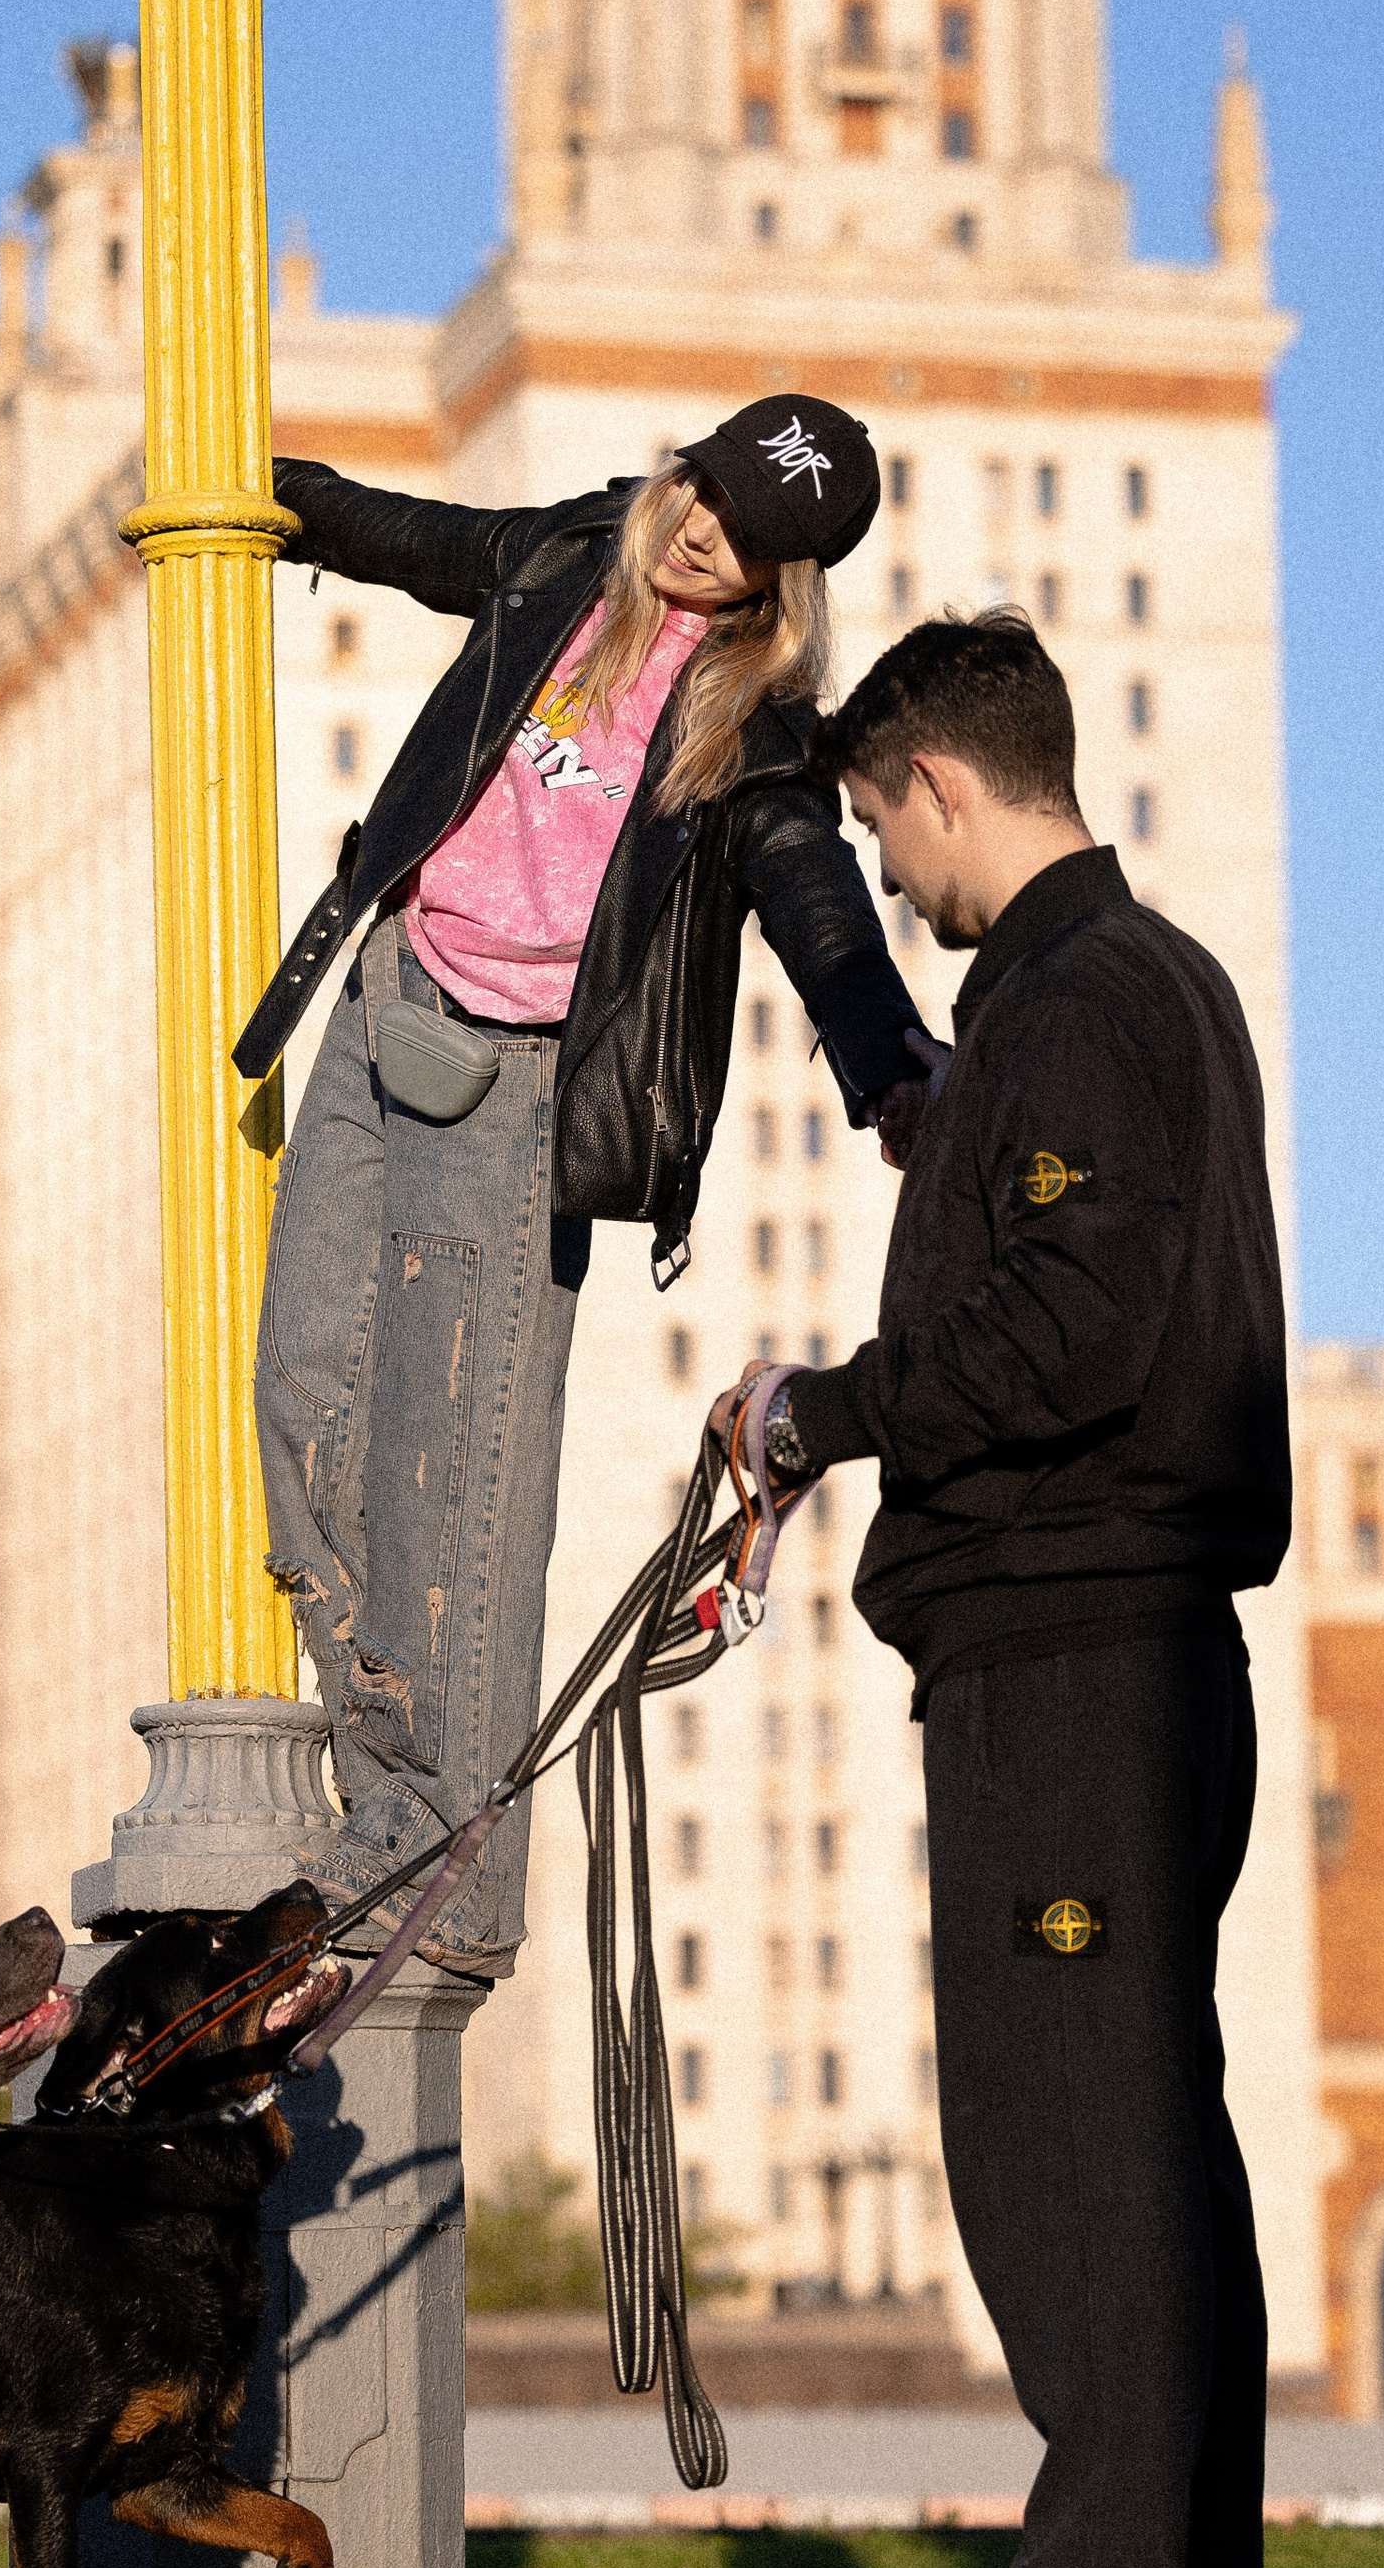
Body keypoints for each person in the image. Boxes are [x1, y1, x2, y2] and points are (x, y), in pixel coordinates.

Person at [714, 609, 1289, 2568]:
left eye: (883, 830)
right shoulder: (1148, 983)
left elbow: (1069, 1321)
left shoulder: (1073, 998)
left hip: (1068, 1642)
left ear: (943, 784)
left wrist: (816, 1413)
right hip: (1135, 1639)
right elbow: (1070, 1253)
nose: (889, 878)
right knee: (1143, 2110)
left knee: (1064, 2125)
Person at [234, 397, 932, 1975]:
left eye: (745, 539)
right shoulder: (567, 558)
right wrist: (266, 490)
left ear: (779, 584)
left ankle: (447, 1858)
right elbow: (418, 540)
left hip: (518, 1086)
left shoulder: (754, 726)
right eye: (706, 490)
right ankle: (384, 1779)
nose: (702, 534)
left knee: (457, 1476)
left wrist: (886, 1051)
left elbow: (814, 892)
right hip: (388, 1004)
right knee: (304, 1390)